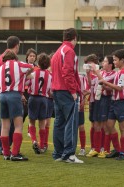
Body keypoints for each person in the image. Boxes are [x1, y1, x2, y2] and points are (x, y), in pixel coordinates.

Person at [50, 28, 83, 163]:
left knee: (59, 122)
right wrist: (73, 91)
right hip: (66, 91)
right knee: (71, 121)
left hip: (57, 90)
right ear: (74, 38)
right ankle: (69, 154)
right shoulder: (69, 51)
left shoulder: (58, 51)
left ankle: (58, 153)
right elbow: (68, 72)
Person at [0, 50, 33, 161]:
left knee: (5, 126)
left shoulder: (1, 68)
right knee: (18, 125)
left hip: (2, 95)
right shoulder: (18, 64)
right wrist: (25, 75)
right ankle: (15, 153)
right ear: (14, 57)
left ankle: (6, 153)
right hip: (14, 95)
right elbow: (31, 66)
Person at [98, 49, 124, 161]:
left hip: (122, 102)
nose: (114, 62)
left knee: (123, 128)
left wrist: (105, 82)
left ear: (122, 60)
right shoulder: (119, 72)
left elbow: (119, 88)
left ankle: (123, 153)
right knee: (109, 125)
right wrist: (105, 87)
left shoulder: (123, 72)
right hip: (114, 102)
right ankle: (117, 149)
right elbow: (115, 88)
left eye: (116, 60)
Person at [0, 36, 20, 155]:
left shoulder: (2, 57)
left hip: (2, 91)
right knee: (7, 122)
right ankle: (3, 148)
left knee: (6, 121)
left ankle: (5, 148)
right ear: (17, 46)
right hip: (8, 92)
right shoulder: (9, 60)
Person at [26, 53, 52, 154]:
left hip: (33, 98)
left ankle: (34, 141)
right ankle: (42, 146)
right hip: (44, 100)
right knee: (42, 124)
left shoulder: (34, 73)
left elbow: (27, 83)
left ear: (38, 62)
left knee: (31, 122)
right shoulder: (49, 75)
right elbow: (50, 90)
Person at [92, 55, 116, 158]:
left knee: (106, 125)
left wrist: (97, 73)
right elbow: (93, 83)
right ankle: (97, 149)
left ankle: (106, 149)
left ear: (110, 64)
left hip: (107, 100)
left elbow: (104, 83)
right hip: (98, 99)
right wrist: (90, 73)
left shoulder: (114, 74)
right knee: (97, 124)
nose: (103, 63)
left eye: (105, 61)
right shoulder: (101, 72)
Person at [25, 48, 38, 137]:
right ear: (27, 57)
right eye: (30, 56)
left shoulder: (37, 68)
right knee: (24, 112)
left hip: (33, 92)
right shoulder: (23, 66)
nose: (32, 57)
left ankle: (29, 130)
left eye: (34, 56)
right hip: (24, 91)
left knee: (32, 112)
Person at [77, 73, 90, 156]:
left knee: (81, 126)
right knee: (68, 126)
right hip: (67, 104)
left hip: (78, 104)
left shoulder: (81, 77)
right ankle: (68, 147)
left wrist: (83, 100)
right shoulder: (65, 75)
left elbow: (87, 89)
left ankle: (82, 148)